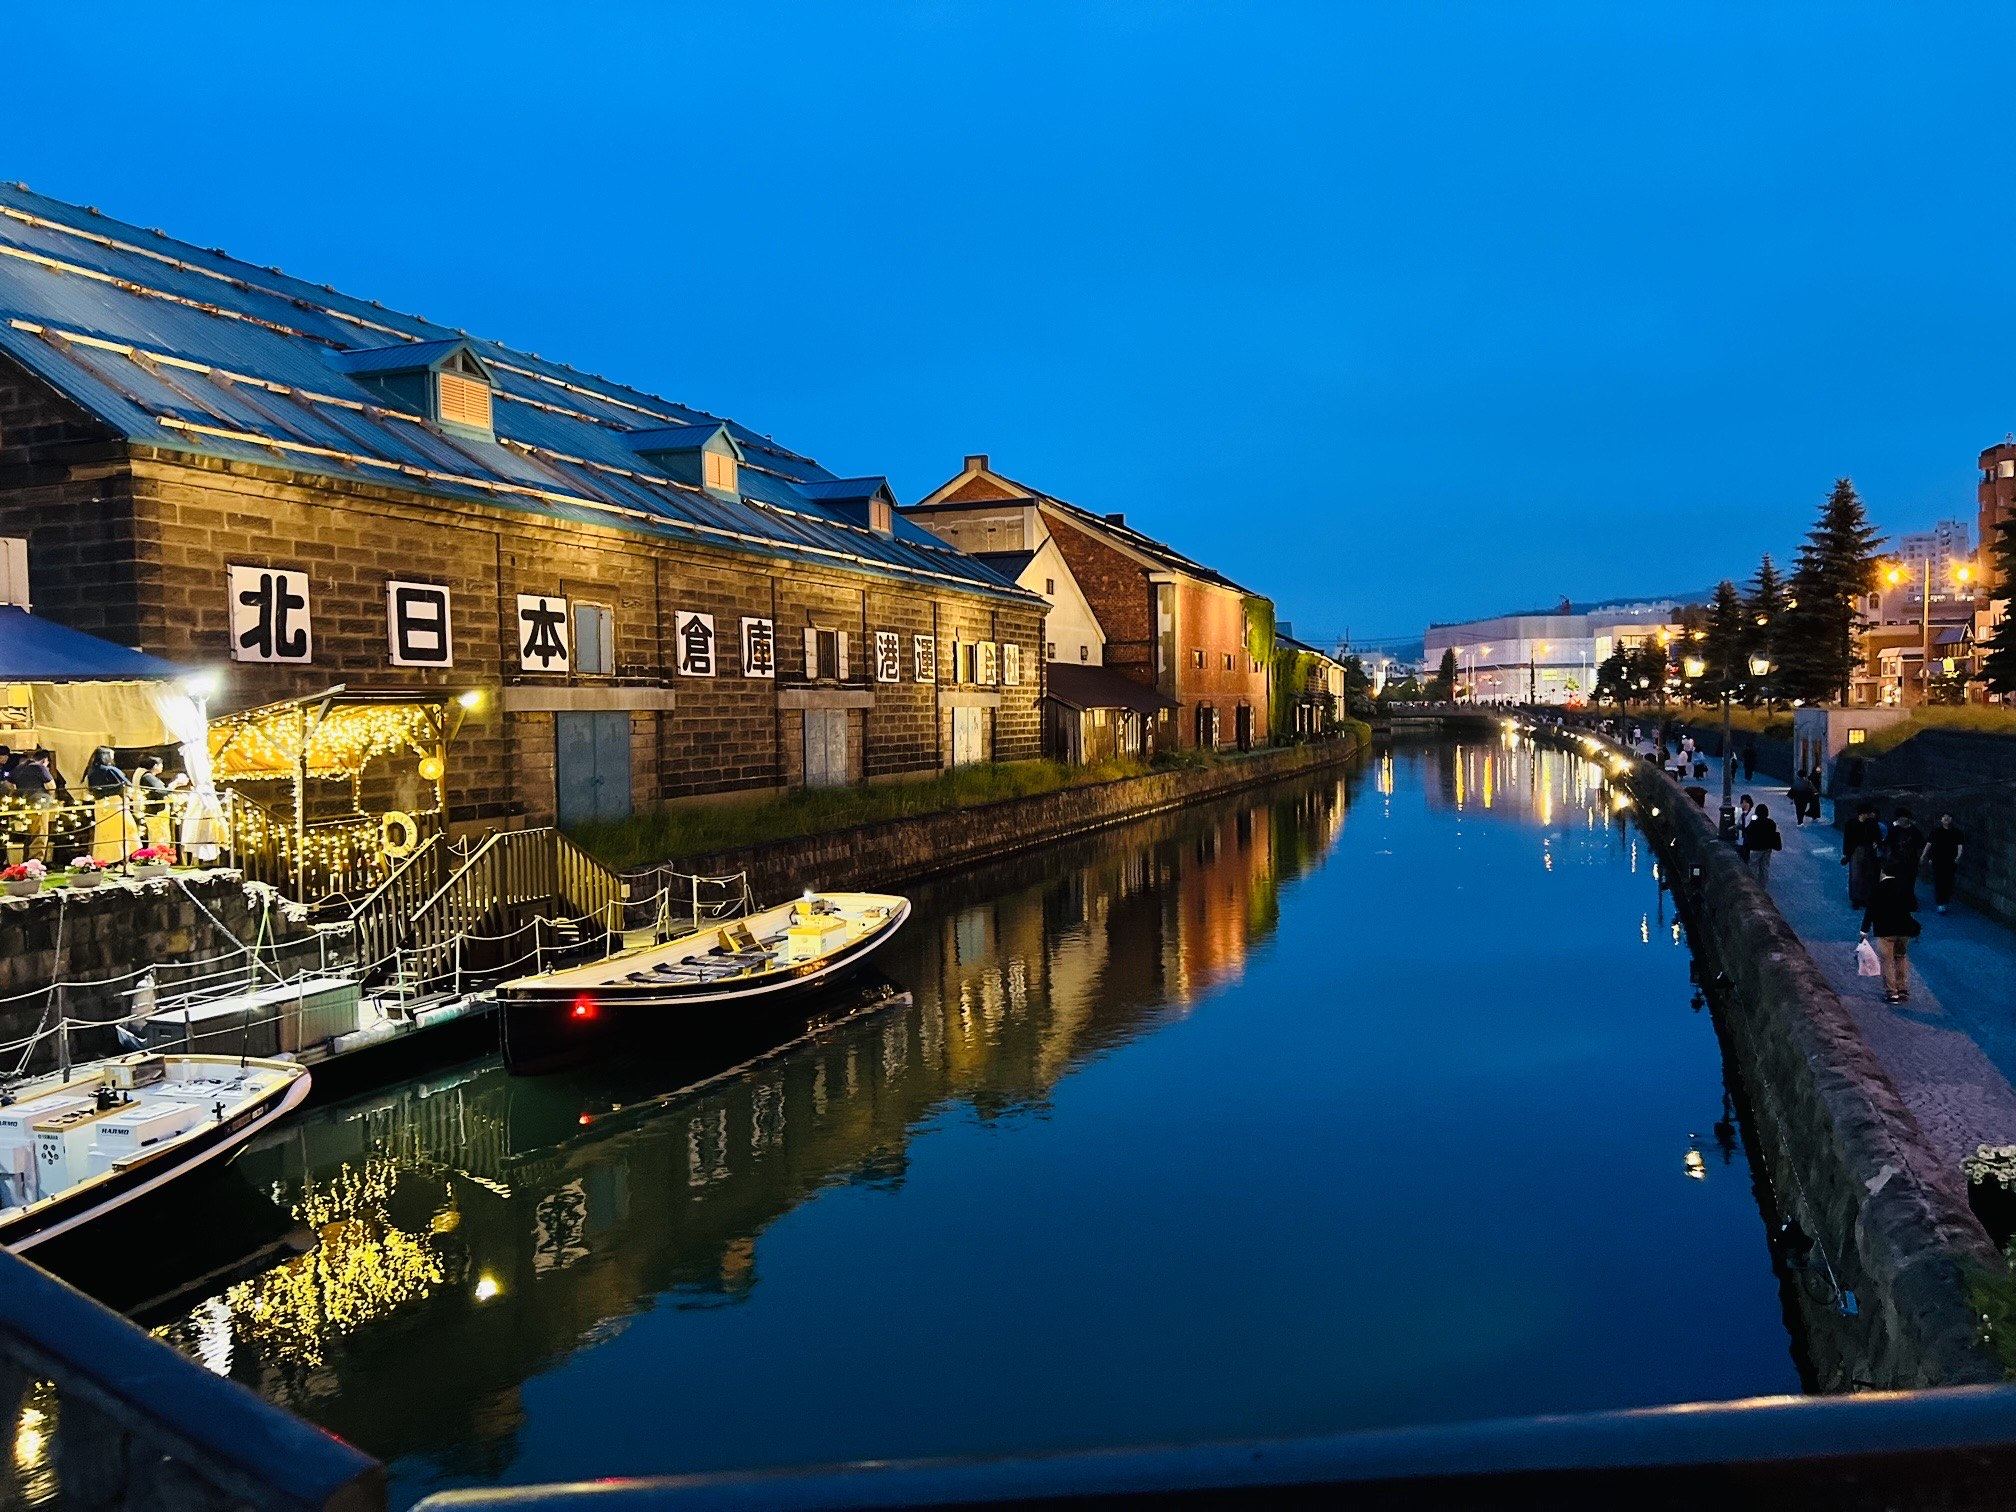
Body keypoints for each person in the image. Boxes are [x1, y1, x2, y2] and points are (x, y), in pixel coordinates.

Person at [1862, 859, 1921, 1005]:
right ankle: (1903, 989)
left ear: (1883, 872)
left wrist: (1864, 930)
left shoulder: (1878, 888)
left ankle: (1892, 993)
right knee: (1901, 957)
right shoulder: (1905, 888)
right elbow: (1914, 906)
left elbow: (1870, 911)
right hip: (1903, 930)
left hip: (1885, 931)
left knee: (1887, 961)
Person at [1842, 802, 1883, 911]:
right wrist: (1846, 854)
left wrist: (1877, 843)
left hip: (1868, 850)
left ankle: (1864, 898)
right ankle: (1856, 899)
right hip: (1857, 850)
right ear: (1863, 813)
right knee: (1856, 876)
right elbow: (1847, 840)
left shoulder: (1871, 823)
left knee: (1867, 875)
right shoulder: (1851, 823)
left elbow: (1877, 836)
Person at [1887, 805, 1927, 902]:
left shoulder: (1915, 831)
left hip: (1911, 860)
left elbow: (1922, 844)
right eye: (1898, 818)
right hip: (1897, 859)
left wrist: (1922, 856)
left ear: (1906, 818)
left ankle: (1908, 899)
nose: (1899, 820)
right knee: (1898, 880)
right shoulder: (1894, 829)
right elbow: (1888, 842)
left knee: (1910, 881)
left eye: (1902, 817)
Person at [1929, 813, 1965, 915]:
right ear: (1941, 819)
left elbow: (1960, 845)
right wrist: (1926, 856)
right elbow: (1930, 844)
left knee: (1948, 881)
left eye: (1948, 817)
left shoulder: (1957, 832)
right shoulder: (1936, 831)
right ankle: (1940, 903)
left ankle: (1945, 901)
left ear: (1951, 819)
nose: (1946, 818)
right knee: (1939, 880)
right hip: (1938, 860)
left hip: (1950, 861)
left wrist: (1958, 856)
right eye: (1944, 817)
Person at [1745, 802, 1783, 883]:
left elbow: (1748, 831)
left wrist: (1753, 820)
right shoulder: (1771, 822)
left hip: (1757, 847)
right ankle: (1763, 884)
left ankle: (1753, 884)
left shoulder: (1755, 822)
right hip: (1768, 847)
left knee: (1753, 865)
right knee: (1764, 866)